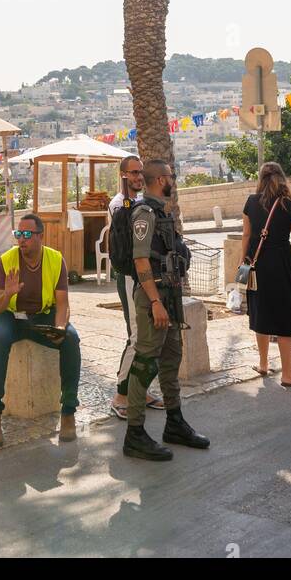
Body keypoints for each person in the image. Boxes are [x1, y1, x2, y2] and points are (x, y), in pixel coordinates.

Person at [123, 159, 209, 461]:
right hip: (154, 298)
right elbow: (141, 260)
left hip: (168, 294)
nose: (174, 180)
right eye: (171, 176)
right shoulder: (144, 213)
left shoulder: (162, 212)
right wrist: (156, 302)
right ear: (160, 179)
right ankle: (134, 433)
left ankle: (174, 422)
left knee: (172, 358)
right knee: (146, 362)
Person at [0, 212, 81, 449]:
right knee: (0, 338)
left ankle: (68, 411)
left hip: (41, 316)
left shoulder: (55, 259)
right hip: (8, 317)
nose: (21, 239)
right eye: (18, 234)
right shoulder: (6, 261)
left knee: (71, 338)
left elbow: (62, 304)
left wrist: (59, 327)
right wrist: (8, 293)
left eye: (27, 234)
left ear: (40, 236)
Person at [240, 163, 291, 386]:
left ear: (260, 179)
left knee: (260, 312)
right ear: (281, 178)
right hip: (282, 265)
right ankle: (288, 375)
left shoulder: (251, 202)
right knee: (285, 317)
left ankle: (263, 364)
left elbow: (246, 235)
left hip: (257, 264)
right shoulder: (288, 204)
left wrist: (242, 263)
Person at [108, 155, 164, 419]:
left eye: (141, 172)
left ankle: (141, 389)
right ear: (123, 175)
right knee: (136, 335)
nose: (138, 177)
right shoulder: (119, 204)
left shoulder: (142, 203)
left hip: (146, 276)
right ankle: (121, 394)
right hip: (130, 276)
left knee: (149, 336)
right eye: (132, 173)